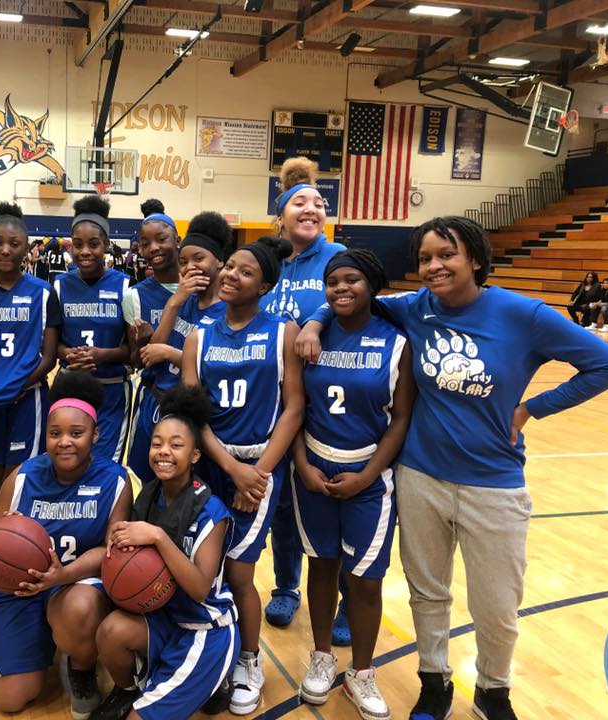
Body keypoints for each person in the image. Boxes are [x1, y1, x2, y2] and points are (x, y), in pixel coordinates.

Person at [295, 216, 608, 720]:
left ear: (476, 260)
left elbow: (603, 363)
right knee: (428, 594)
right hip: (421, 476)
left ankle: (493, 690)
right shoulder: (414, 307)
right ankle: (434, 682)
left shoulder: (523, 314)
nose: (434, 267)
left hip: (494, 482)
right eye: (425, 258)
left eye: (447, 255)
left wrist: (533, 408)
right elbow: (348, 294)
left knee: (497, 604)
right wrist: (313, 323)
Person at [181, 236, 305, 715]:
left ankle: (249, 661)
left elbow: (294, 408)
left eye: (245, 271)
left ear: (266, 286)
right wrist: (230, 467)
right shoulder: (198, 336)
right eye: (229, 266)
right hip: (211, 462)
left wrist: (258, 472)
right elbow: (193, 413)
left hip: (260, 464)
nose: (231, 275)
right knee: (202, 567)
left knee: (238, 572)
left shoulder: (283, 332)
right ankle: (207, 650)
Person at [291, 249, 413, 720]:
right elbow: (294, 407)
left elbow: (400, 419)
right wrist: (302, 464)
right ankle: (322, 657)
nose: (341, 288)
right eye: (333, 281)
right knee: (321, 567)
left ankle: (361, 672)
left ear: (372, 285)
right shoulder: (310, 339)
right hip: (313, 470)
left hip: (369, 475)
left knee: (365, 580)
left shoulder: (396, 342)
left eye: (352, 280)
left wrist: (367, 475)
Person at [0, 371, 132, 719]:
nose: (65, 442)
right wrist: (2, 546)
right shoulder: (21, 478)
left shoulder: (115, 481)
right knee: (10, 699)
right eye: (55, 434)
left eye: (76, 433)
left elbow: (110, 551)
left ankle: (81, 667)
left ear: (95, 435)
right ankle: (44, 635)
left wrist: (62, 575)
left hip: (75, 584)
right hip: (21, 587)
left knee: (80, 608)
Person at [91, 385, 239, 720]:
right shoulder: (148, 495)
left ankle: (213, 679)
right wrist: (119, 540)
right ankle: (128, 690)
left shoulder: (210, 511)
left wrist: (157, 536)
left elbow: (200, 588)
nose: (163, 452)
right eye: (157, 443)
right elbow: (132, 561)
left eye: (176, 445)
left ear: (195, 455)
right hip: (165, 618)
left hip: (205, 630)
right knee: (110, 631)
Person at [260, 157, 350, 635]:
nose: (311, 209)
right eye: (299, 203)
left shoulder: (337, 255)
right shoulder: (272, 262)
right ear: (281, 216)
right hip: (278, 401)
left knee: (334, 502)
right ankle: (286, 587)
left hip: (330, 400)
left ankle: (348, 600)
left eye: (318, 203)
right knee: (283, 504)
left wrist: (316, 321)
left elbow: (353, 299)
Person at [0, 202, 60, 501]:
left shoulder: (43, 293)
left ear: (27, 249)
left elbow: (49, 356)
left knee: (18, 477)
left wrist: (18, 386)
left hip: (27, 398)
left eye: (14, 244)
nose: (6, 250)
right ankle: (2, 529)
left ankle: (9, 528)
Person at [129, 211, 230, 483]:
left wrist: (170, 353)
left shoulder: (227, 310)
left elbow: (216, 364)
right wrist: (174, 302)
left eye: (199, 259)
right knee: (147, 482)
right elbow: (152, 352)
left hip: (191, 409)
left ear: (219, 261)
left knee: (184, 486)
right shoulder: (184, 300)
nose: (190, 267)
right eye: (184, 262)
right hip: (156, 400)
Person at [56, 196, 132, 463]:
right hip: (70, 385)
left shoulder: (125, 286)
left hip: (111, 390)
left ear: (107, 245)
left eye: (93, 244)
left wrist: (101, 355)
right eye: (78, 244)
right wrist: (68, 354)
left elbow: (132, 351)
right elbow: (52, 344)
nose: (85, 251)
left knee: (103, 467)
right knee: (70, 463)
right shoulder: (59, 286)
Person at [123, 199, 181, 482]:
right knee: (150, 481)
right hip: (155, 398)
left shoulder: (203, 287)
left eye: (161, 239)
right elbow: (135, 361)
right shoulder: (134, 296)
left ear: (177, 240)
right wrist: (141, 345)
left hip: (195, 398)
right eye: (145, 244)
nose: (153, 248)